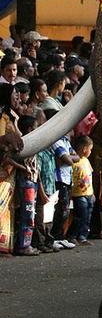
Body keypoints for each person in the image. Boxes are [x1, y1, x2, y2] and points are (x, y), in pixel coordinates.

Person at [0, 83, 22, 256]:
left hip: (9, 169)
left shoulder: (10, 116)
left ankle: (6, 245)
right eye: (14, 94)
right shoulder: (2, 119)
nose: (18, 97)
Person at [50, 118, 79, 250]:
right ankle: (55, 236)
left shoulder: (66, 142)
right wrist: (69, 158)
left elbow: (75, 158)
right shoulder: (56, 141)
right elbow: (68, 159)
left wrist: (68, 158)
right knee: (60, 209)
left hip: (67, 179)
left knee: (65, 210)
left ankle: (61, 236)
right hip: (59, 179)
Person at [15, 114, 40, 256]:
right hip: (27, 182)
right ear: (30, 129)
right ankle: (24, 245)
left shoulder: (31, 142)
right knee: (28, 214)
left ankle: (26, 244)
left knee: (29, 213)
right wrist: (24, 168)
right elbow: (10, 158)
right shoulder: (24, 143)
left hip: (31, 181)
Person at [68, 135, 95, 245]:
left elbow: (90, 176)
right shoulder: (75, 161)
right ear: (84, 149)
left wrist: (92, 193)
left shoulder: (86, 161)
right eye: (90, 149)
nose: (90, 152)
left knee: (87, 216)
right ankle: (72, 235)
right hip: (79, 194)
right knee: (80, 215)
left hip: (89, 193)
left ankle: (83, 236)